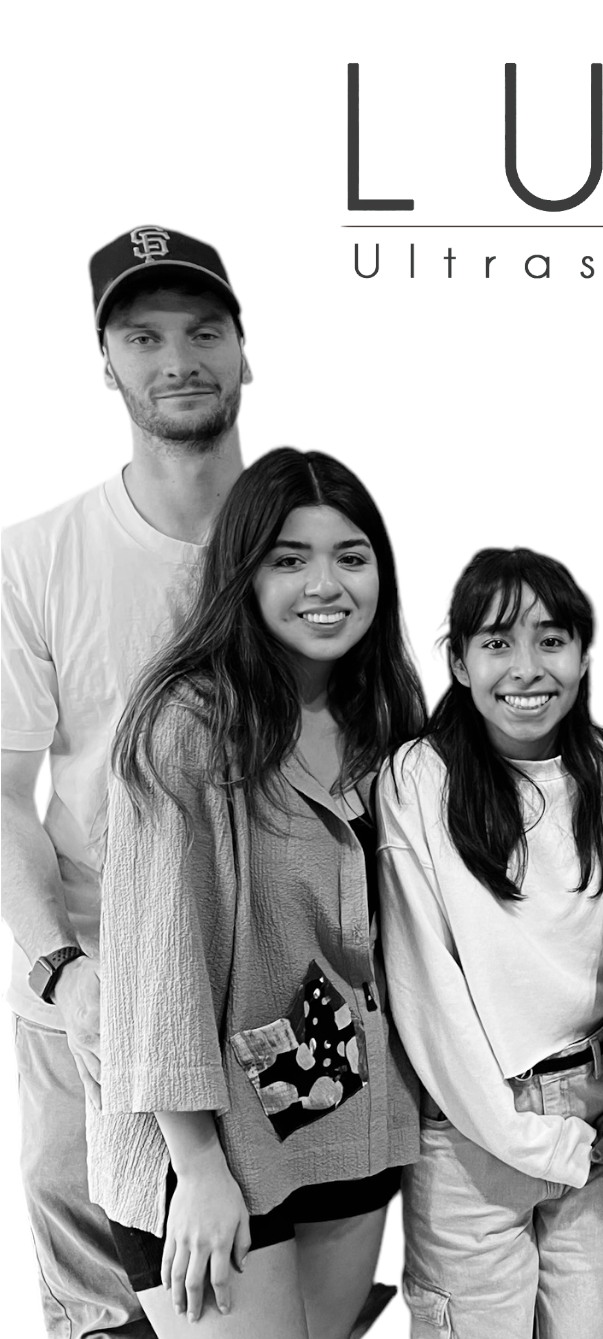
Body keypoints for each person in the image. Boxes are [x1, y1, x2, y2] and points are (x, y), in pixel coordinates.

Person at [92, 448, 427, 1338]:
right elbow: (159, 975)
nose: (326, 584)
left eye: (352, 556)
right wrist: (197, 1168)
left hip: (343, 1118)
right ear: (242, 572)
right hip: (202, 1144)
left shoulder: (389, 714)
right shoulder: (187, 727)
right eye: (289, 558)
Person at [2, 225, 250, 1338]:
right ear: (107, 366)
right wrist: (63, 974)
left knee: (253, 1298)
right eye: (142, 336)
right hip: (88, 989)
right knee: (102, 1313)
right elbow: (4, 793)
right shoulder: (39, 555)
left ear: (248, 350)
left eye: (204, 330)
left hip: (263, 987)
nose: (177, 358)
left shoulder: (309, 546)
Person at [377, 548, 603, 1339]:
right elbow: (424, 988)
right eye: (497, 642)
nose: (526, 668)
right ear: (460, 663)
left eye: (552, 639)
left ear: (582, 655)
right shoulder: (417, 782)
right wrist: (528, 1137)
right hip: (472, 1131)